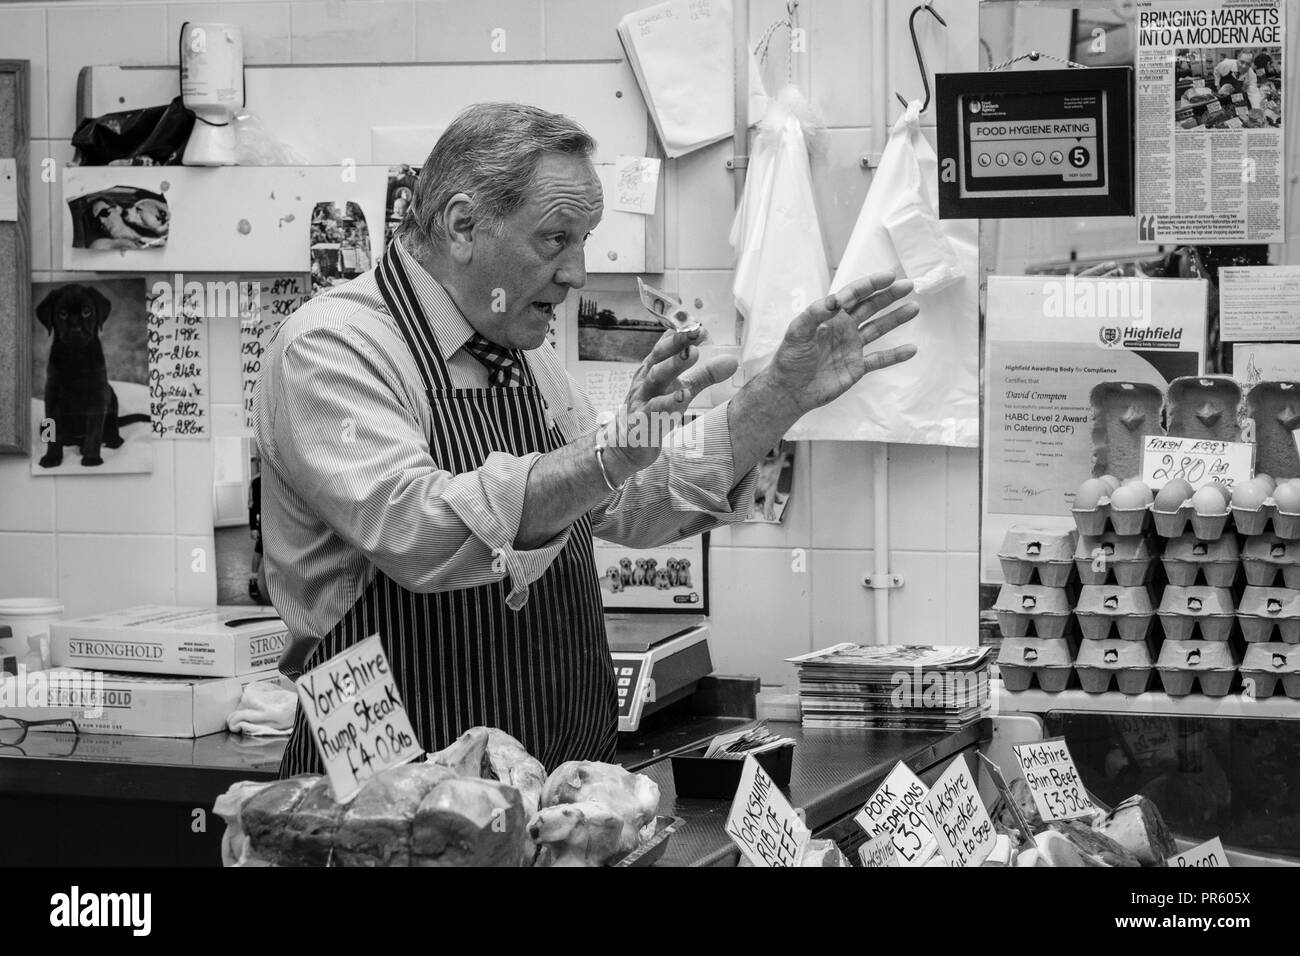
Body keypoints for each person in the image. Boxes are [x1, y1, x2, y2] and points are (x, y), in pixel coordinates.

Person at [256, 102, 919, 775]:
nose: (576, 272)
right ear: (462, 225)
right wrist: (605, 457)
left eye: (586, 239)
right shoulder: (333, 347)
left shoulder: (517, 345)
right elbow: (417, 532)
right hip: (389, 800)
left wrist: (778, 397)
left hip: (548, 793)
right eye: (555, 239)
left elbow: (628, 502)